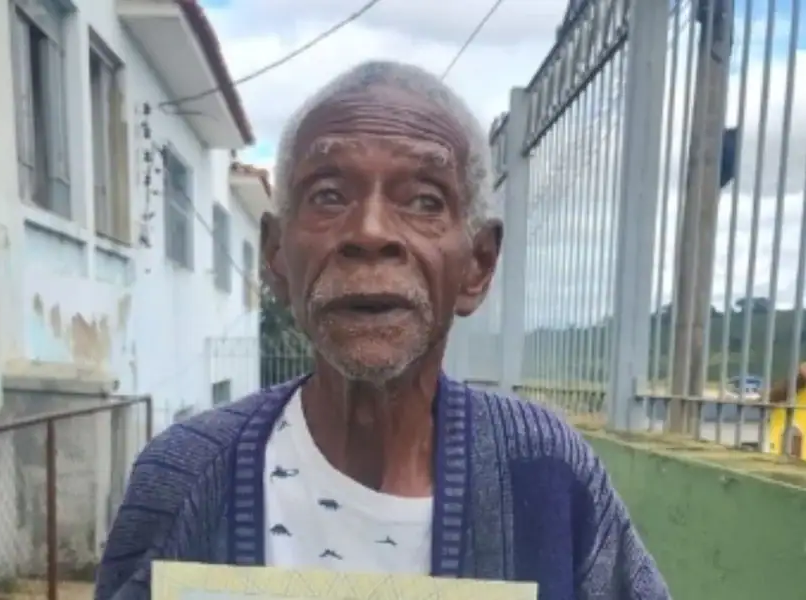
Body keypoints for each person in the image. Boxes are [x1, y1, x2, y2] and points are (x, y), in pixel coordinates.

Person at [95, 60, 669, 600]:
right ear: (275, 256)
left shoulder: (546, 471)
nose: (369, 232)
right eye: (328, 195)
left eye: (424, 200)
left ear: (478, 264)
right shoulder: (184, 475)